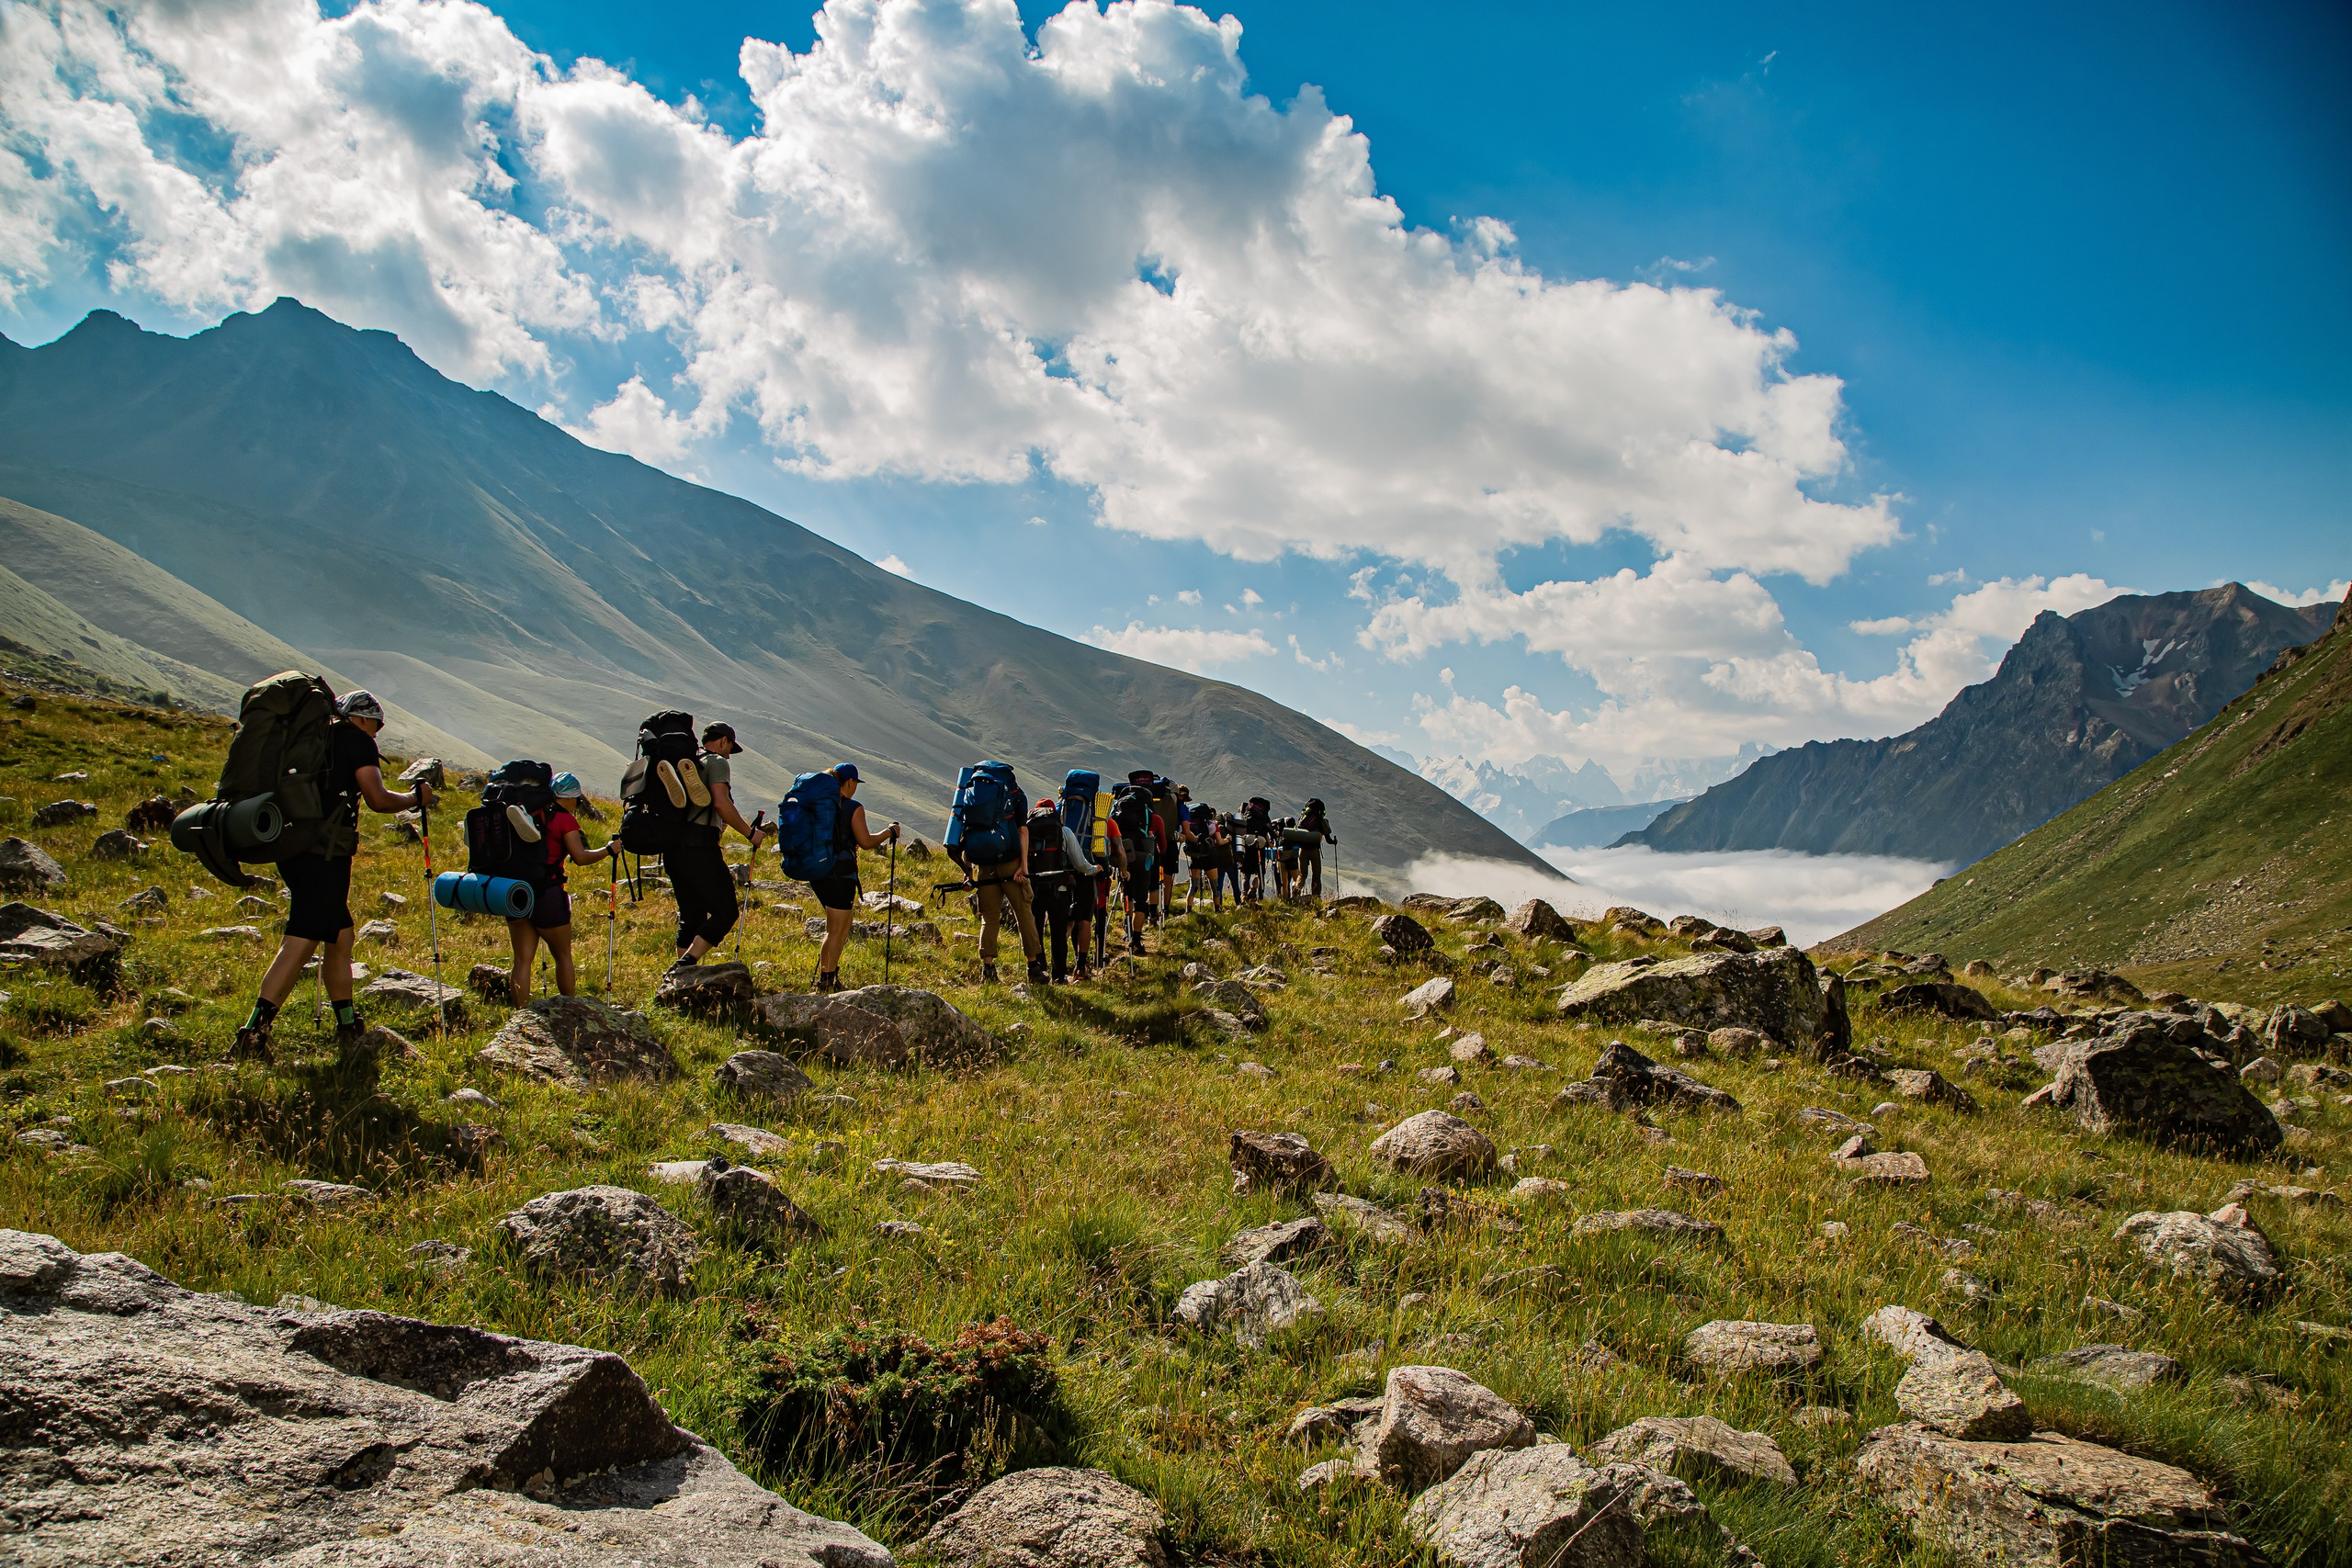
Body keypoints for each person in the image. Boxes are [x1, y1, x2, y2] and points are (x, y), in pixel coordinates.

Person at [231, 690, 434, 1057]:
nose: (377, 732)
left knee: (340, 937)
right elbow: (378, 799)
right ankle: (253, 1033)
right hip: (324, 854)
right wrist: (414, 799)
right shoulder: (356, 740)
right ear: (362, 717)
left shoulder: (316, 736)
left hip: (295, 846)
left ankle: (347, 1025)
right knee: (302, 938)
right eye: (377, 724)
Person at [504, 771, 618, 1002]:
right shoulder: (564, 819)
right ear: (568, 797)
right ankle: (569, 1011)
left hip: (516, 893)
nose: (577, 803)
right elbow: (580, 856)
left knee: (522, 960)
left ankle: (520, 1019)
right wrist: (609, 850)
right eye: (576, 798)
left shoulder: (529, 812)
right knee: (563, 955)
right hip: (548, 894)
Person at [669, 722, 765, 970]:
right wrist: (750, 833)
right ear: (724, 741)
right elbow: (721, 804)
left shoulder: (689, 759)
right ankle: (686, 963)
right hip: (700, 844)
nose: (728, 754)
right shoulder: (717, 762)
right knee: (726, 912)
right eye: (730, 748)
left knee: (691, 916)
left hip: (671, 847)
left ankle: (681, 981)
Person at [809, 762, 899, 993]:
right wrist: (889, 832)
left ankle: (830, 976)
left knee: (839, 925)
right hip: (841, 873)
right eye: (855, 784)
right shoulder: (853, 807)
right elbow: (867, 842)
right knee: (836, 930)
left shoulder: (818, 804)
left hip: (817, 872)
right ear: (849, 782)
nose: (855, 788)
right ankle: (826, 982)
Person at [961, 774, 1045, 985]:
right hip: (1010, 863)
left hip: (985, 865)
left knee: (989, 917)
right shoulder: (1017, 795)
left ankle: (988, 968)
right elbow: (1022, 831)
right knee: (1024, 913)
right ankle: (1033, 966)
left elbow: (966, 832)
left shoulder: (973, 796)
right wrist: (1023, 866)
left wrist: (968, 870)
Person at [1023, 798, 1100, 983]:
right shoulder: (1063, 831)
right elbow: (1080, 863)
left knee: (1036, 931)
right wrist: (1094, 869)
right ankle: (1058, 976)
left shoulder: (1026, 831)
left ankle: (1039, 971)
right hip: (1060, 890)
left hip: (1034, 888)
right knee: (1058, 933)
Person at [1297, 795, 1337, 901]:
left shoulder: (1302, 819)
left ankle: (1296, 892)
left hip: (1303, 850)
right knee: (1316, 874)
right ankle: (1316, 897)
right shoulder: (1321, 821)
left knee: (1302, 873)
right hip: (1314, 850)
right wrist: (1334, 842)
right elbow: (1328, 839)